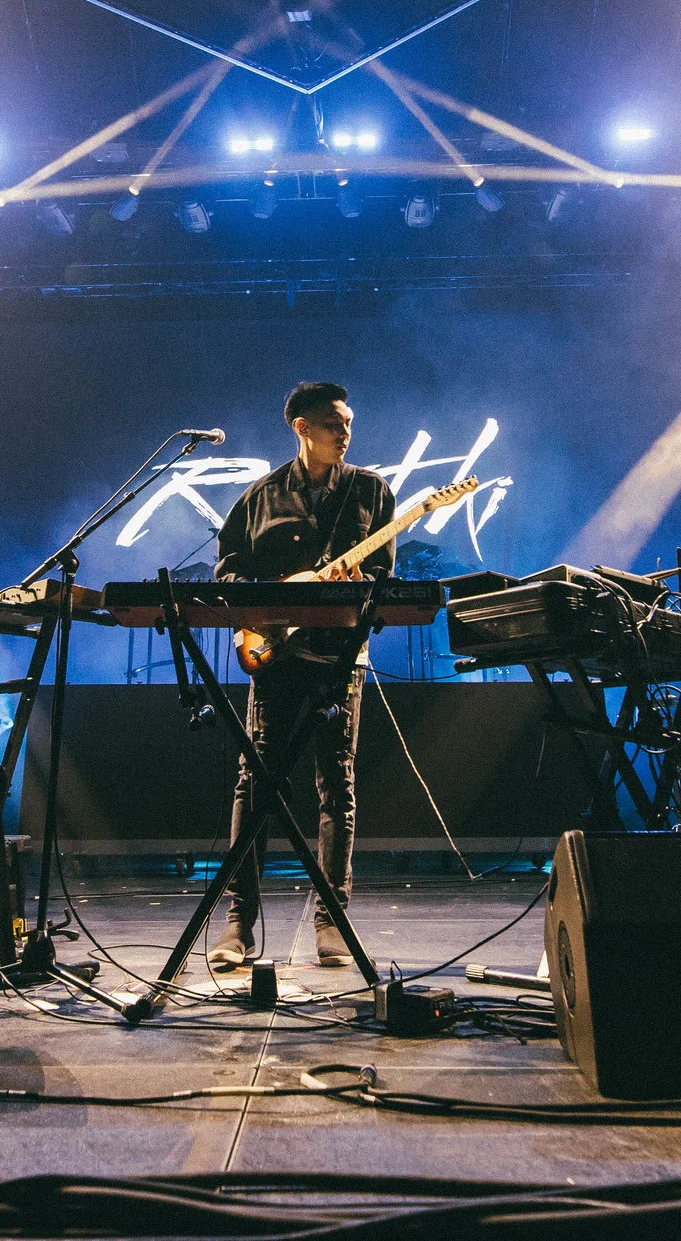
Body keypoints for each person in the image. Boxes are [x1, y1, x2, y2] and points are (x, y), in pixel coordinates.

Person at [206, 380, 395, 970]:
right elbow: (227, 570)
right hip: (275, 659)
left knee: (337, 787)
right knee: (255, 785)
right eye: (334, 423)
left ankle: (332, 922)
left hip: (341, 660)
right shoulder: (260, 497)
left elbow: (384, 579)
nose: (346, 433)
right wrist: (263, 605)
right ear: (302, 427)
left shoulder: (371, 492)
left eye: (349, 424)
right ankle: (237, 924)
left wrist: (362, 591)